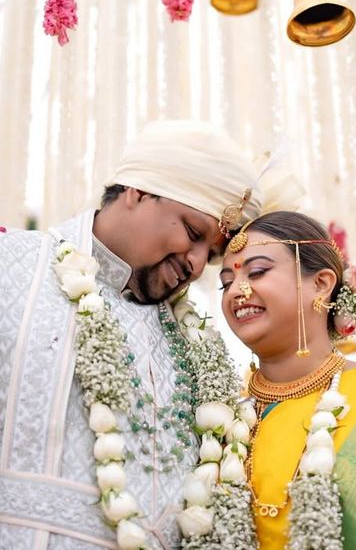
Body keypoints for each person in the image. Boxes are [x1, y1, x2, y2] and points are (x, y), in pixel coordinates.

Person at [0, 119, 266, 550]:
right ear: (138, 192)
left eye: (211, 255)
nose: (197, 265)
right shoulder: (12, 265)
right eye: (194, 233)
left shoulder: (197, 346)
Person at [219, 210, 356, 550]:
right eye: (225, 282)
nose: (237, 290)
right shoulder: (219, 417)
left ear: (322, 283)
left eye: (258, 271)